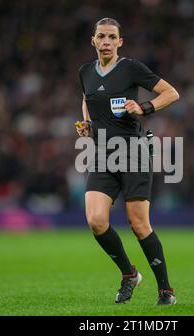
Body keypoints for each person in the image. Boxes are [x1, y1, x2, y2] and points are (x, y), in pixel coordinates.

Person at [76, 18, 179, 305]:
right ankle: (129, 274)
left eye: (112, 37)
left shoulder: (131, 68)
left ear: (120, 41)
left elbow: (171, 93)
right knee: (96, 221)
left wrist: (145, 107)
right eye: (101, 36)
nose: (106, 41)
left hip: (133, 152)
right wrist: (87, 123)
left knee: (138, 224)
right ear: (93, 41)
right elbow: (87, 99)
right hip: (102, 154)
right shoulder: (85, 71)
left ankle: (165, 290)